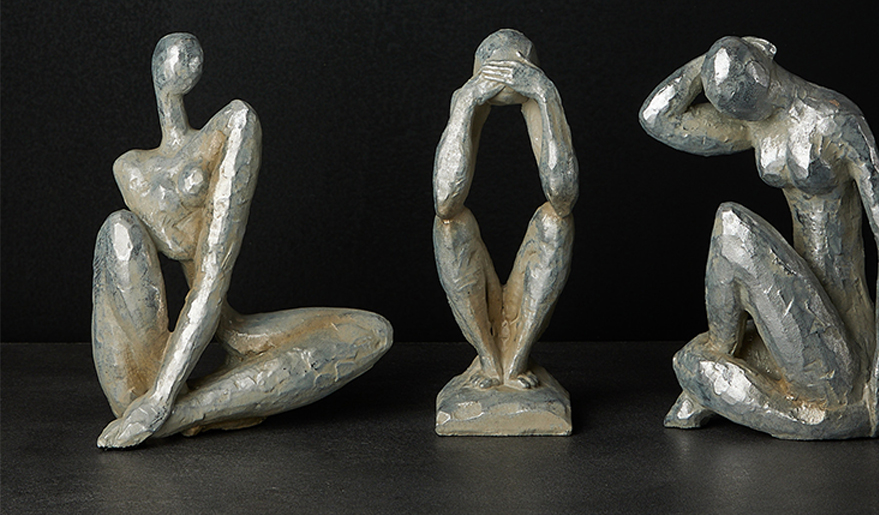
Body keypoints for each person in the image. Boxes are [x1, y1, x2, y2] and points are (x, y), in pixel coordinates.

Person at [92, 33, 392, 448]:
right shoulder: (129, 169)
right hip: (135, 379)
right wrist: (154, 393)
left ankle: (185, 413)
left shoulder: (234, 124)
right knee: (118, 229)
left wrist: (160, 402)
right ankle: (172, 403)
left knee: (371, 332)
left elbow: (212, 279)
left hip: (203, 344)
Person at [639, 36, 879, 439]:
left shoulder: (837, 120)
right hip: (795, 313)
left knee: (731, 225)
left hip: (843, 341)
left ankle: (711, 373)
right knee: (694, 349)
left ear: (767, 52)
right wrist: (713, 61)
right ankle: (716, 362)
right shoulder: (757, 119)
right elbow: (658, 119)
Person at [432, 29, 578, 390]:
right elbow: (445, 200)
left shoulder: (541, 92)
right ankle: (488, 359)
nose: (505, 79)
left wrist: (545, 94)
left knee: (555, 222)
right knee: (450, 226)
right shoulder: (467, 98)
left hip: (522, 302)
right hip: (477, 288)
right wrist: (465, 104)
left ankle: (516, 359)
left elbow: (562, 197)